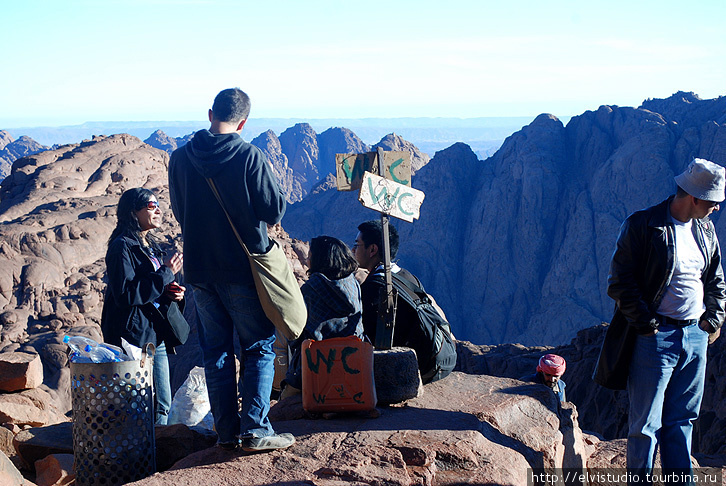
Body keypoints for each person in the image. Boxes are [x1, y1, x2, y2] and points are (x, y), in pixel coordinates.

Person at [168, 88, 294, 452]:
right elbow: (273, 211)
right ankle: (255, 429)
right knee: (258, 346)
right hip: (242, 269)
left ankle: (225, 433)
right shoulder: (248, 156)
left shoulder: (179, 158)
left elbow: (180, 211)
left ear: (210, 114)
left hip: (199, 271)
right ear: (243, 122)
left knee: (216, 352)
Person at [594, 158, 726, 483]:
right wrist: (647, 326)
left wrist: (713, 319)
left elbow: (716, 279)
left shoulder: (705, 230)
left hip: (695, 337)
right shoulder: (644, 225)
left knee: (682, 420)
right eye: (713, 203)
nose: (717, 210)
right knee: (645, 425)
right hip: (656, 338)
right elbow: (620, 281)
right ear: (694, 197)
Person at [101, 188, 185, 425]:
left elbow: (152, 289)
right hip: (132, 338)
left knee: (162, 403)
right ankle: (141, 457)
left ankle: (158, 456)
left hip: (154, 333)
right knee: (136, 404)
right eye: (150, 205)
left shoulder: (151, 246)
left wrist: (172, 293)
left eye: (158, 204)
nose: (158, 209)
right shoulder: (121, 247)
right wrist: (166, 274)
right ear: (133, 212)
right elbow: (126, 294)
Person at [353, 220, 456, 384]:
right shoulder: (407, 276)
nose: (353, 250)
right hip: (438, 358)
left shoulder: (375, 286)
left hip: (415, 365)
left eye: (357, 244)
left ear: (372, 249)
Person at [282, 236, 364, 398]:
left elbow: (297, 332)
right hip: (354, 364)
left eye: (311, 256)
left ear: (320, 260)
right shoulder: (353, 284)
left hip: (317, 366)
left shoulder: (311, 289)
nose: (308, 259)